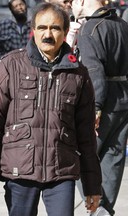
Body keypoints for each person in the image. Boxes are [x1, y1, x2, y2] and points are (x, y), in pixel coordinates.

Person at [0, 2, 102, 216]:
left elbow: (86, 135)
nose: (48, 34)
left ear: (66, 31)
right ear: (33, 30)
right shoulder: (9, 67)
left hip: (62, 171)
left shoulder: (78, 74)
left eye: (55, 28)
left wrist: (92, 186)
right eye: (42, 28)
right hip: (19, 171)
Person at [72, 0, 128, 215]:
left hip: (102, 102)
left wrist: (94, 107)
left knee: (77, 156)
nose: (72, 7)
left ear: (82, 1)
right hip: (122, 101)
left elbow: (94, 70)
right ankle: (103, 210)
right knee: (112, 161)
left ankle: (98, 208)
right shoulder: (122, 25)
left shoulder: (90, 28)